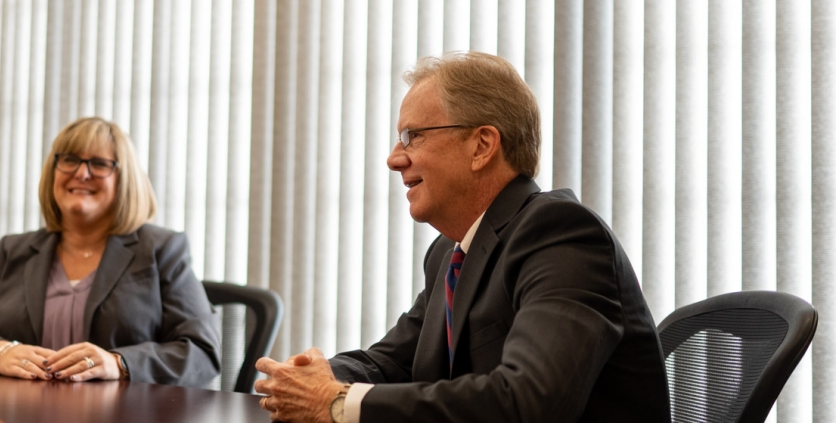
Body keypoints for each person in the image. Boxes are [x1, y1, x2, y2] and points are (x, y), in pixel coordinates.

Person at [254, 51, 671, 423]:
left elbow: (528, 401)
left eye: (412, 136)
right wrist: (313, 379)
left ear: (482, 146)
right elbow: (390, 362)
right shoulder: (449, 252)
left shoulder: (561, 234)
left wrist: (338, 403)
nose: (394, 158)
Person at [0, 117, 221, 387]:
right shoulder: (16, 250)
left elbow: (202, 351)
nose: (82, 173)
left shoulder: (161, 250)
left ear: (124, 178)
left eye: (99, 163)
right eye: (69, 160)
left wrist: (119, 363)